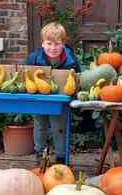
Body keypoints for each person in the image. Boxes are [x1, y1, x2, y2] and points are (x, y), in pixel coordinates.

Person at [24, 22, 80, 164]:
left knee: (59, 126)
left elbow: (78, 79)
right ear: (42, 43)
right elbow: (26, 76)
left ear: (63, 43)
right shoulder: (34, 58)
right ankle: (40, 155)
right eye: (49, 44)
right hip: (39, 98)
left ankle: (61, 157)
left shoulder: (71, 60)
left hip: (60, 100)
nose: (53, 48)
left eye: (57, 44)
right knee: (40, 124)